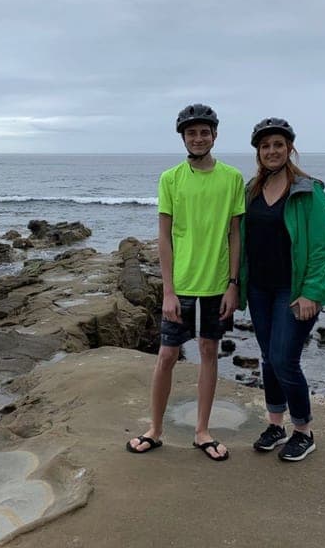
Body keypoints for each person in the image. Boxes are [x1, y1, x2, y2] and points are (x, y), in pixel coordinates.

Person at [126, 103, 245, 461]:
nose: (198, 138)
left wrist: (233, 284)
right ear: (183, 137)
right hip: (180, 286)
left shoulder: (232, 178)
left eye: (204, 132)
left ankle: (202, 431)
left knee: (209, 352)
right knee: (167, 355)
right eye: (191, 133)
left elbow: (235, 235)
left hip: (216, 285)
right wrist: (168, 291)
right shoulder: (170, 178)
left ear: (214, 135)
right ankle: (155, 429)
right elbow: (163, 237)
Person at [239, 117, 325, 462]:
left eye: (278, 144)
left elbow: (322, 245)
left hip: (293, 290)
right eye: (265, 146)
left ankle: (304, 432)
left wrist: (310, 290)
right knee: (268, 358)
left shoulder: (308, 190)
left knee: (284, 359)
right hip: (259, 290)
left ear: (289, 148)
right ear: (258, 152)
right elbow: (242, 241)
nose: (272, 151)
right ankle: (275, 425)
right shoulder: (251, 189)